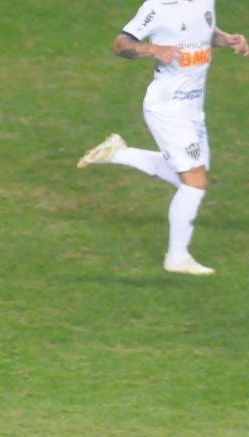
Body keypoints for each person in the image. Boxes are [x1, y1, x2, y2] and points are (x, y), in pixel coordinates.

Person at [78, 1, 248, 276]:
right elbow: (120, 44)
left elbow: (202, 29)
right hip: (168, 107)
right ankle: (177, 258)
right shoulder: (158, 7)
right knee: (194, 183)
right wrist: (153, 49)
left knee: (192, 178)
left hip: (193, 106)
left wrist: (226, 39)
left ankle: (118, 153)